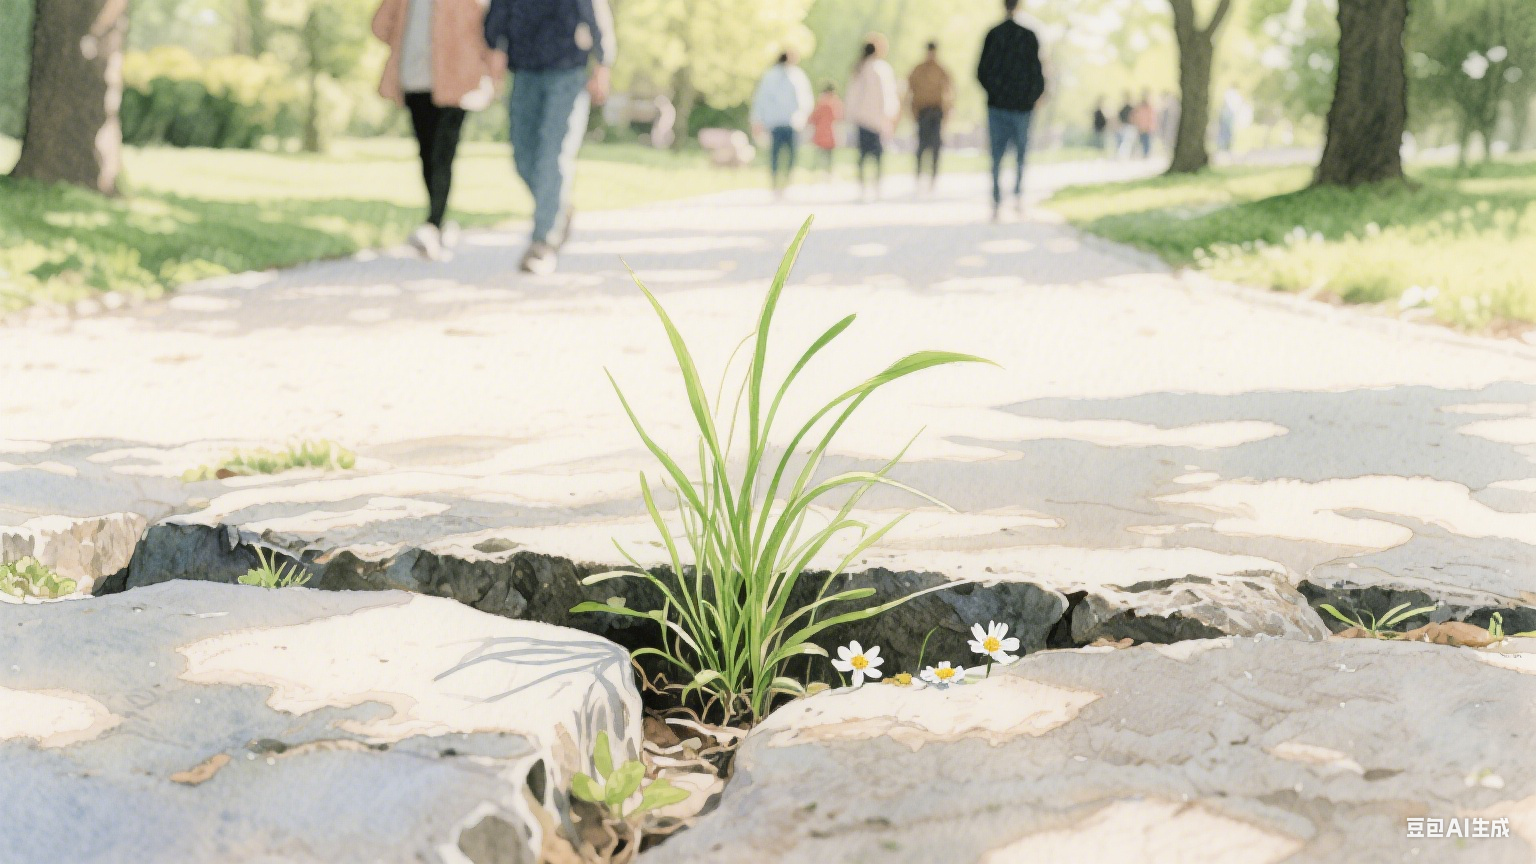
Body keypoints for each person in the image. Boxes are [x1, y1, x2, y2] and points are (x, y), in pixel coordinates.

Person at [485, 0, 616, 275]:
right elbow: (499, 8)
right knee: (523, 158)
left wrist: (603, 63)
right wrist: (494, 44)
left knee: (552, 155)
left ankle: (542, 243)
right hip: (524, 70)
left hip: (567, 69)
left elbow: (595, 11)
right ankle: (558, 208)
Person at [371, 0, 499, 261]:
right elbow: (380, 25)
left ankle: (433, 222)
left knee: (443, 153)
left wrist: (491, 69)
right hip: (415, 80)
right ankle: (436, 222)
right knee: (427, 152)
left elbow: (489, 29)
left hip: (457, 83)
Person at [976, 0, 1045, 220]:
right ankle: (1017, 196)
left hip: (998, 105)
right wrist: (1030, 98)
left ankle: (997, 199)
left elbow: (981, 71)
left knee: (996, 154)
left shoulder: (993, 34)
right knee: (1020, 153)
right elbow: (1037, 72)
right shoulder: (1028, 36)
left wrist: (994, 93)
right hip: (1021, 108)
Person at [750, 51, 814, 196]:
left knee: (777, 154)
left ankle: (777, 182)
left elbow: (760, 99)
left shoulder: (771, 76)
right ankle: (784, 182)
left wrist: (757, 119)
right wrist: (804, 118)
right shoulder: (796, 76)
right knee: (788, 154)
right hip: (789, 122)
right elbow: (805, 100)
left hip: (779, 122)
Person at [845, 35, 899, 201]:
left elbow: (851, 95)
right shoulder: (882, 69)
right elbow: (887, 95)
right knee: (877, 155)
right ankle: (877, 186)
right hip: (877, 120)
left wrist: (851, 115)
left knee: (862, 155)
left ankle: (862, 187)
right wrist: (889, 116)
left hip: (862, 119)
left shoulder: (858, 69)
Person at [907, 41, 953, 191]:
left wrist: (948, 111)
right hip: (923, 111)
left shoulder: (941, 70)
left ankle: (933, 177)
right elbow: (910, 90)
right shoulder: (918, 70)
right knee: (921, 145)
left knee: (935, 146)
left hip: (936, 111)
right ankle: (919, 175)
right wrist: (912, 110)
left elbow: (949, 91)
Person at [807, 83, 843, 178]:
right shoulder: (835, 103)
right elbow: (839, 117)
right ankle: (828, 172)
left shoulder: (821, 103)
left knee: (818, 155)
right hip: (831, 134)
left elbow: (813, 118)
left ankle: (814, 172)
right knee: (829, 156)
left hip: (820, 133)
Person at [1131, 92, 1156, 158]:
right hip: (1140, 128)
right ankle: (1140, 154)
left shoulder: (1149, 108)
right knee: (1141, 142)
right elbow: (1135, 117)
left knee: (1147, 142)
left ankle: (1146, 155)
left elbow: (1151, 118)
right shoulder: (1139, 108)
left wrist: (1150, 126)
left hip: (1147, 128)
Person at [1115, 92, 1135, 159]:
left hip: (1130, 127)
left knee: (1127, 142)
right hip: (1125, 127)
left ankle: (1126, 156)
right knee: (1126, 142)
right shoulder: (1123, 109)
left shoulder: (1131, 108)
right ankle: (1123, 156)